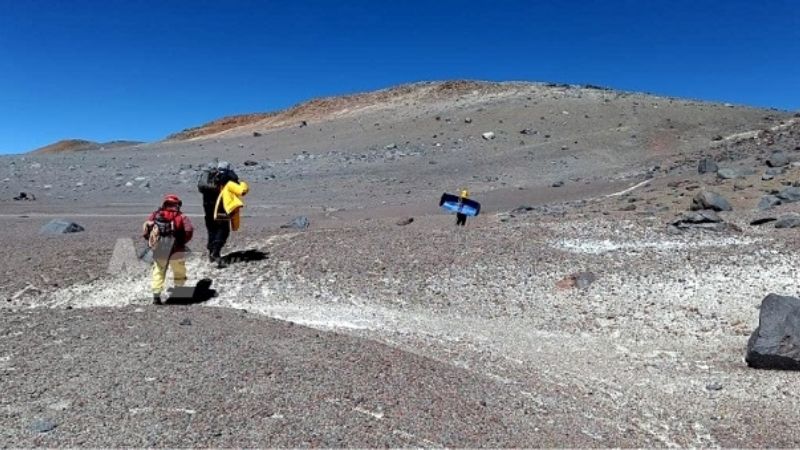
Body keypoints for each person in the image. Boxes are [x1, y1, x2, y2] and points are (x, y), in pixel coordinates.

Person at [142, 194, 193, 305]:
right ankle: (179, 293)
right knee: (179, 271)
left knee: (158, 271)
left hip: (160, 249)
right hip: (177, 249)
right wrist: (182, 242)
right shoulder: (181, 217)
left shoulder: (155, 215)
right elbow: (189, 231)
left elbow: (146, 231)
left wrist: (151, 241)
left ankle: (156, 295)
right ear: (177, 204)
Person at [200, 161, 240, 266]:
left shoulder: (209, 178)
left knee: (211, 230)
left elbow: (202, 189)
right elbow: (237, 188)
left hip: (207, 208)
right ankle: (216, 252)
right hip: (221, 208)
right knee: (223, 230)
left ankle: (211, 253)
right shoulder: (227, 177)